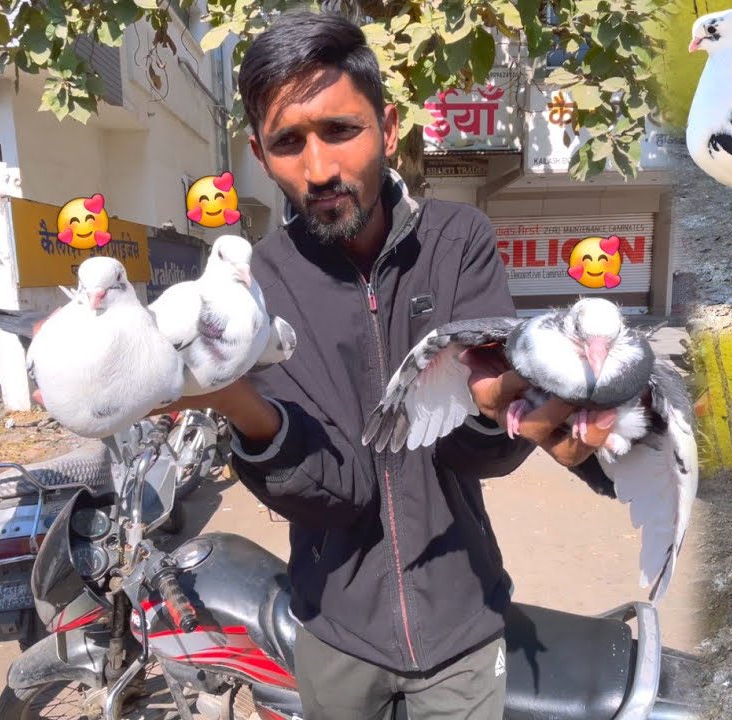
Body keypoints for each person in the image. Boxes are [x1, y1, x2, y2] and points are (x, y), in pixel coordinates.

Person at [142, 10, 615, 719]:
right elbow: (336, 493)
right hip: (335, 632)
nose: (321, 167)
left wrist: (498, 406)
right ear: (258, 152)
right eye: (288, 143)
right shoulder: (257, 290)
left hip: (463, 621)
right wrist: (236, 403)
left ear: (388, 129)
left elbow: (477, 456)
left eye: (341, 130)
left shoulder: (459, 241)